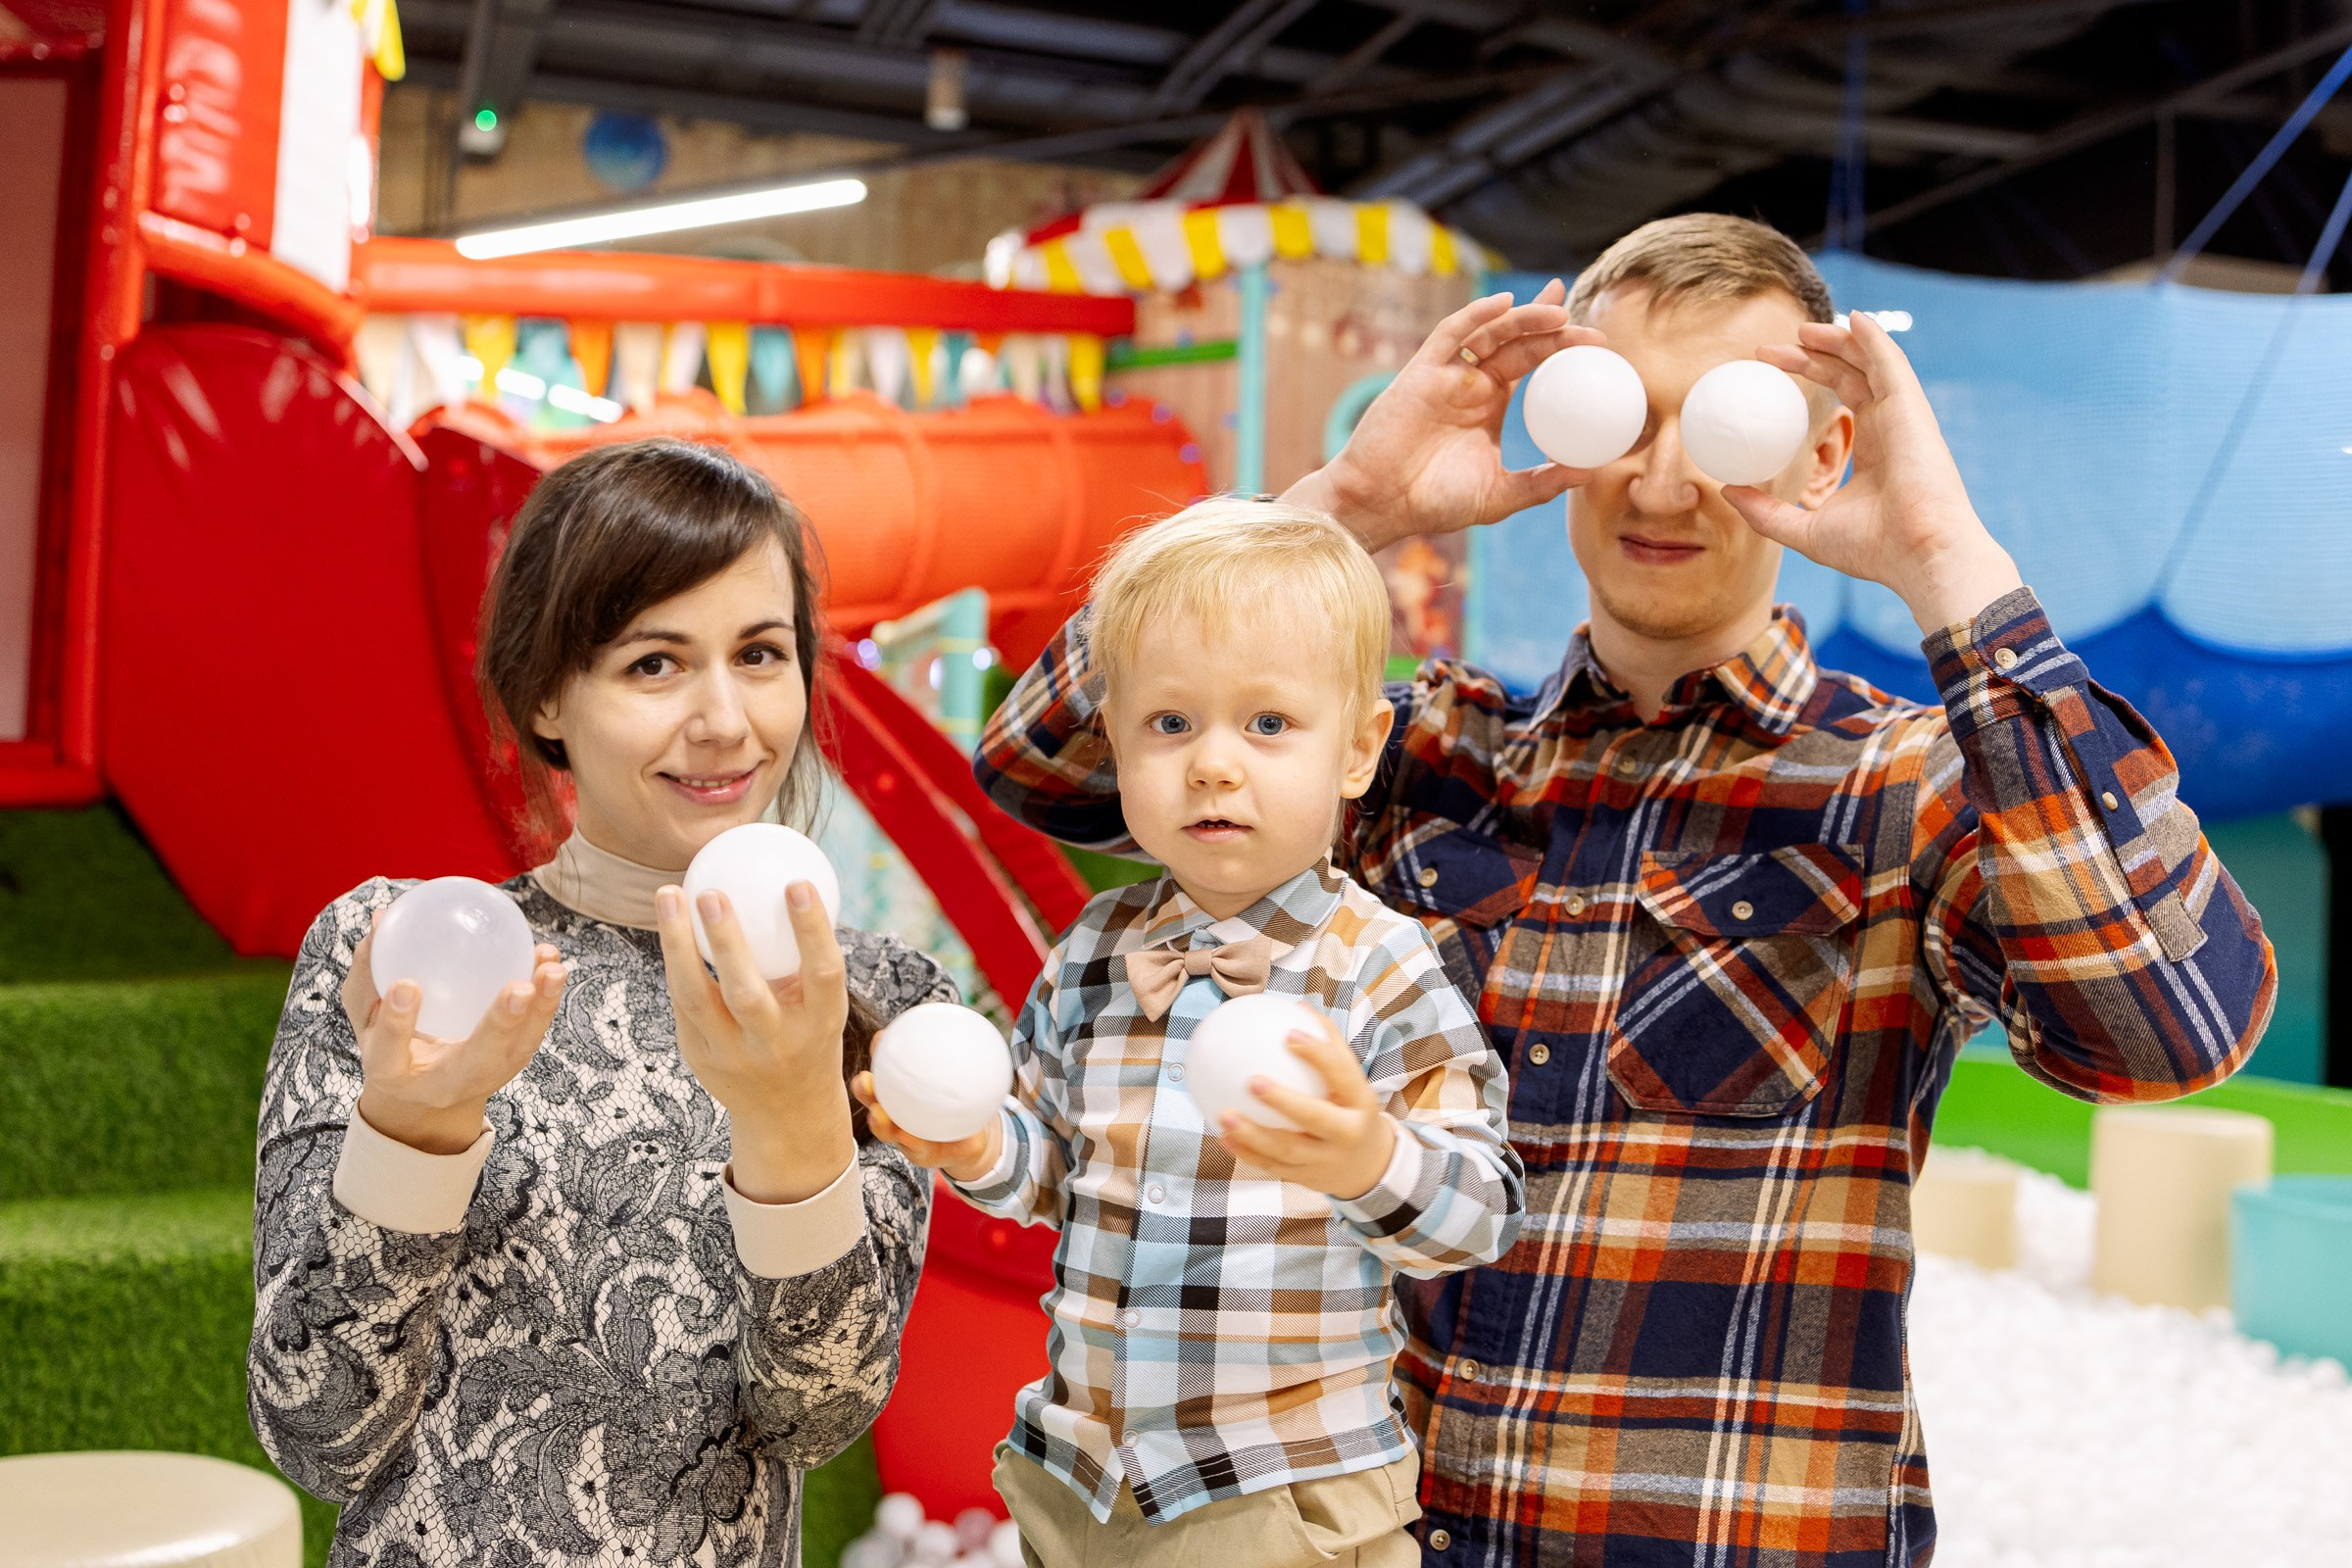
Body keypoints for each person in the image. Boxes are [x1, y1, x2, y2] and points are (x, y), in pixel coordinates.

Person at [975, 216, 2276, 1567]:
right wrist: (1348, 504)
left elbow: (2170, 1028)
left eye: (1724, 426)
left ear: (1822, 450)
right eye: (1619, 417)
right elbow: (1046, 766)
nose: (1660, 485)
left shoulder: (1910, 792)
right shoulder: (1421, 756)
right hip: (1377, 1531)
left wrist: (1949, 563)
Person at [247, 440, 955, 1566]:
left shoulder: (874, 1002)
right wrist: (415, 1134)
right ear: (545, 696)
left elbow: (813, 1418)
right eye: (654, 665)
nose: (726, 719)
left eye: (760, 654)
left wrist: (793, 1128)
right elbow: (318, 1433)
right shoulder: (406, 959)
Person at [860, 501, 1526, 1568]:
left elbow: (1481, 1210)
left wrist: (1369, 1157)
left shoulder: (1379, 960)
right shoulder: (1094, 948)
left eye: (1267, 724)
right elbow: (1058, 1175)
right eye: (1171, 724)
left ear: (1357, 750)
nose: (1214, 764)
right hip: (1079, 1479)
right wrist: (980, 1149)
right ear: (1117, 737)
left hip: (1281, 1493)